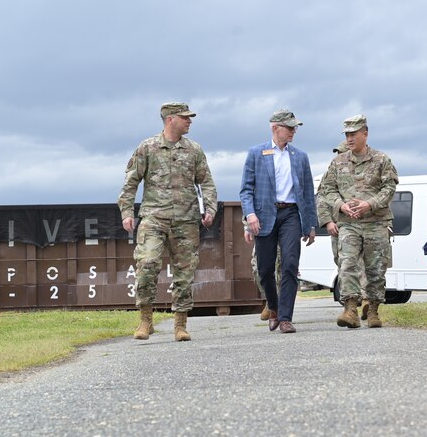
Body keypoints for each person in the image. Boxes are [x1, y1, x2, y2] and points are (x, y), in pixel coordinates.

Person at [118, 102, 217, 341]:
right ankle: (145, 321)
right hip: (154, 218)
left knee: (185, 273)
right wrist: (127, 213)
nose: (190, 121)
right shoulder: (148, 148)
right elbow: (131, 182)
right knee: (147, 264)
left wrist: (210, 208)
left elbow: (206, 182)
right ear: (170, 119)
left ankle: (180, 325)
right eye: (185, 117)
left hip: (186, 220)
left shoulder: (194, 150)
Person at [240, 109, 317, 334]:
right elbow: (246, 190)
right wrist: (250, 216)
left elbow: (308, 192)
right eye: (289, 127)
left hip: (291, 214)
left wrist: (311, 224)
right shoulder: (256, 153)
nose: (294, 131)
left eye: (295, 128)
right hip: (264, 216)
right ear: (275, 128)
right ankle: (273, 307)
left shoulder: (300, 156)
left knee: (290, 264)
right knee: (264, 269)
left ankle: (285, 317)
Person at [319, 114, 398, 328]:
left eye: (353, 134)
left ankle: (373, 310)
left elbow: (389, 188)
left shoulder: (381, 159)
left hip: (375, 223)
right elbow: (327, 189)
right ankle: (350, 309)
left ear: (365, 133)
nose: (349, 139)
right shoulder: (338, 162)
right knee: (347, 264)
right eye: (347, 135)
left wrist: (370, 204)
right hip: (349, 223)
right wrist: (341, 206)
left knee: (375, 269)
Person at [317, 140, 370, 320]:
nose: (339, 155)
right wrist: (327, 222)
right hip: (340, 226)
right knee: (343, 262)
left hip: (366, 225)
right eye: (337, 152)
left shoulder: (367, 168)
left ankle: (363, 299)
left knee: (364, 262)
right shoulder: (331, 173)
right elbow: (322, 199)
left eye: (341, 152)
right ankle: (354, 300)